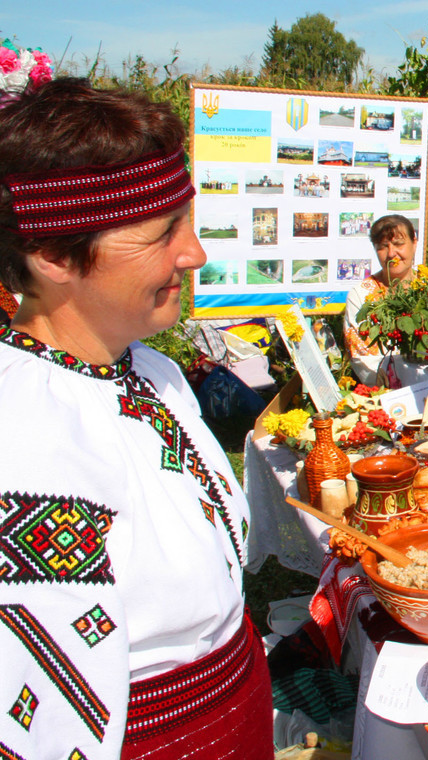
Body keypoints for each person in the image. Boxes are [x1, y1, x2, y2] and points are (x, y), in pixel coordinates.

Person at [0, 79, 272, 758]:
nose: (194, 253)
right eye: (161, 234)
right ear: (55, 256)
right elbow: (44, 716)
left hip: (234, 715)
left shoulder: (151, 372)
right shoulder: (27, 437)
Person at [342, 214, 419, 383]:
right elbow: (361, 355)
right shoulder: (361, 295)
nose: (392, 253)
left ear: (414, 243)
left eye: (399, 244)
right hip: (386, 389)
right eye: (383, 246)